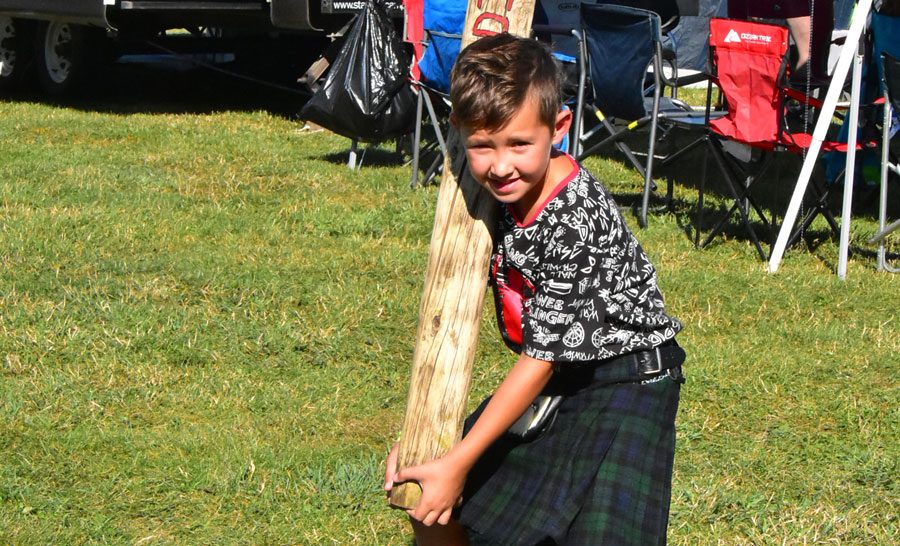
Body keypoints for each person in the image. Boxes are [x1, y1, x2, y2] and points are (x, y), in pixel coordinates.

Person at [384, 33, 685, 546]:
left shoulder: (574, 220)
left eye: (519, 144)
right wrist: (431, 440)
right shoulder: (498, 190)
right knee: (427, 497)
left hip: (629, 378)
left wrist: (458, 460)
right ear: (459, 132)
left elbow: (541, 359)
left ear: (559, 128)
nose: (501, 166)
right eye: (482, 146)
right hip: (564, 371)